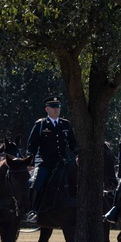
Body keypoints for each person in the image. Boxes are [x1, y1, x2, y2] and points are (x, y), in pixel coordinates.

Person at [24, 95, 79, 224]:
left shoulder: (66, 124)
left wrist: (78, 155)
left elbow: (73, 144)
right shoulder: (41, 124)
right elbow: (32, 145)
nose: (56, 110)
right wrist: (30, 162)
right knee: (37, 181)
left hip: (63, 162)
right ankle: (32, 210)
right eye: (53, 107)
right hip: (45, 162)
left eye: (58, 107)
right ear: (47, 109)